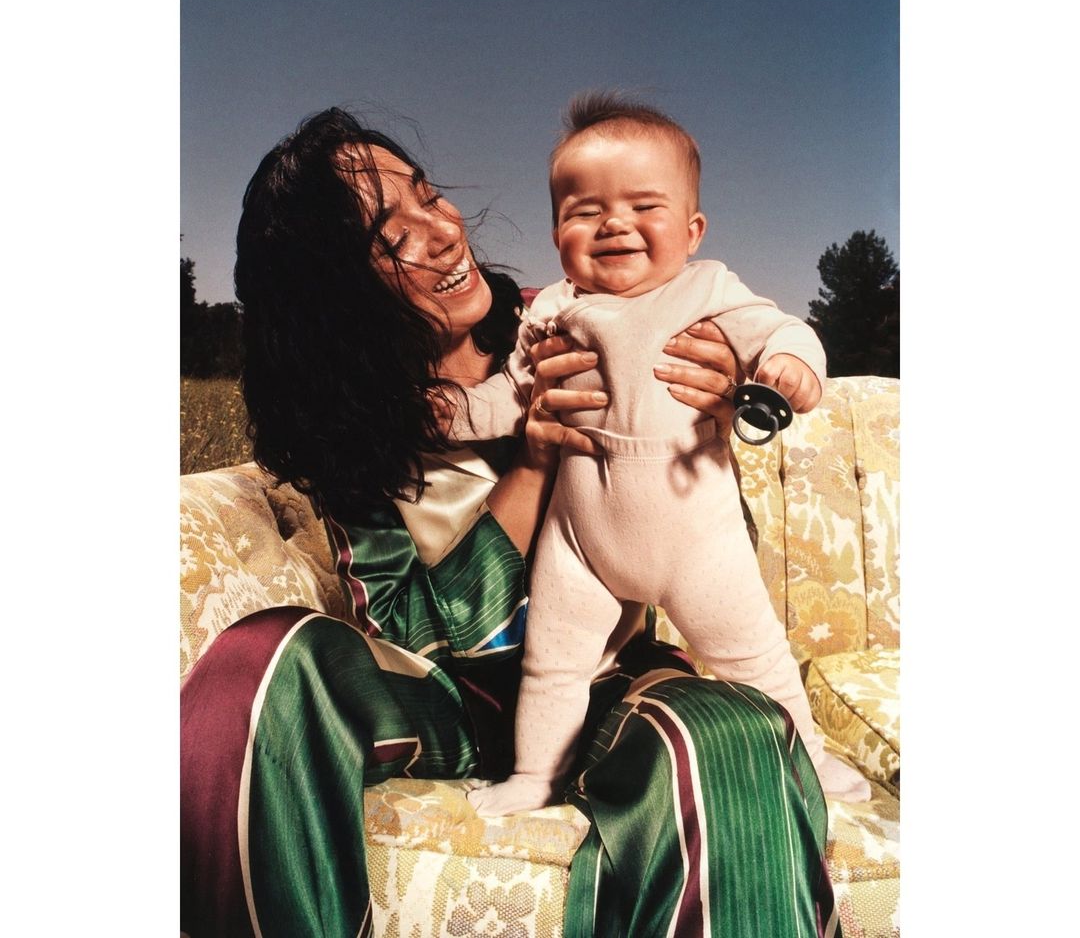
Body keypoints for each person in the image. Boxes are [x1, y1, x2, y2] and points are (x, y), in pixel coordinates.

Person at [180, 106, 843, 938]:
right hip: (449, 704)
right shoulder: (351, 425)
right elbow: (412, 635)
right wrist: (532, 462)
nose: (441, 233)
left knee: (727, 729)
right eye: (392, 237)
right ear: (333, 290)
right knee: (259, 660)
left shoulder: (573, 313)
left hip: (605, 682)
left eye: (427, 195)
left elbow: (702, 546)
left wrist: (704, 421)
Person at [453, 92, 871, 817]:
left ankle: (805, 752)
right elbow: (510, 398)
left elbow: (784, 330)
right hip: (581, 543)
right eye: (585, 211)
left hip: (696, 540)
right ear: (556, 234)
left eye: (644, 206)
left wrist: (790, 366)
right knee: (553, 664)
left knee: (752, 657)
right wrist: (449, 413)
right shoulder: (551, 309)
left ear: (692, 229)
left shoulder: (706, 290)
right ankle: (534, 774)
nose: (614, 223)